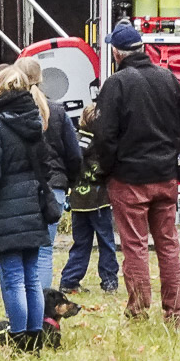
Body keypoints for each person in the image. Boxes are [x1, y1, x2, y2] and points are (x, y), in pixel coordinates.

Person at [90, 24, 180, 323]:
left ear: (115, 53)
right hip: (165, 176)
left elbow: (105, 136)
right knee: (168, 245)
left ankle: (138, 311)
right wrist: (170, 156)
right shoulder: (167, 78)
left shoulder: (116, 84)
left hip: (129, 179)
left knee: (135, 246)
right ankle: (175, 313)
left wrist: (107, 170)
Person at [0, 63, 52, 351]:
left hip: (5, 208)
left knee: (12, 277)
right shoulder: (35, 121)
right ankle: (34, 337)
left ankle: (18, 336)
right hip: (32, 204)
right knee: (32, 276)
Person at [18, 56, 81, 300]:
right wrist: (70, 182)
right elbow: (74, 154)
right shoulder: (57, 110)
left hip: (21, 187)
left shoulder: (8, 110)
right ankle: (41, 303)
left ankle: (21, 304)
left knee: (21, 252)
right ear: (41, 78)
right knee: (44, 251)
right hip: (53, 187)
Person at [59, 104, 120, 295]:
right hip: (99, 200)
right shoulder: (101, 145)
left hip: (78, 201)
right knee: (106, 242)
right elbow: (104, 169)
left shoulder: (75, 140)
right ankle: (109, 280)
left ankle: (70, 280)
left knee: (81, 243)